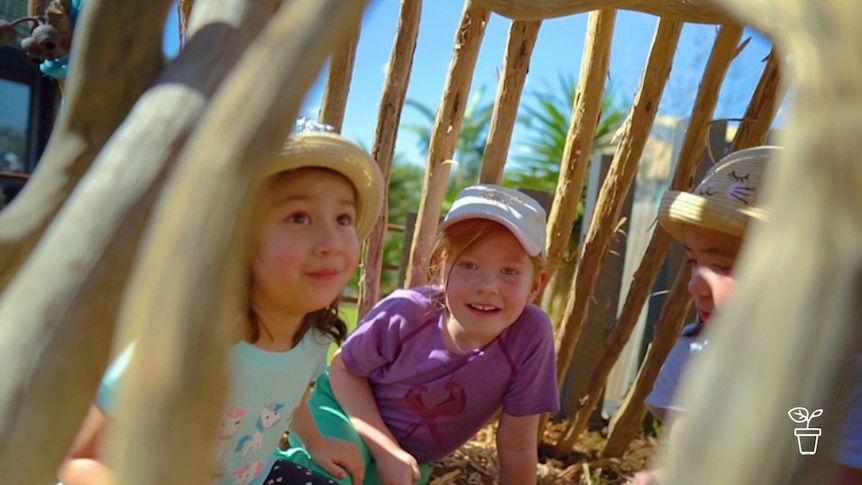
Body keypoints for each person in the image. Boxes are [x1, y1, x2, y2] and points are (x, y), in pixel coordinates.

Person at [56, 119, 385, 485]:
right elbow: (80, 460)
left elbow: (287, 396)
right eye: (299, 217)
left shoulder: (313, 339)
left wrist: (317, 441)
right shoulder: (182, 346)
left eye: (343, 218)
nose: (332, 242)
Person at [282, 184, 560, 485]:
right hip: (344, 413)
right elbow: (344, 370)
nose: (487, 286)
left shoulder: (531, 335)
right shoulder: (406, 312)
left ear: (536, 284)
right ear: (442, 269)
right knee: (335, 474)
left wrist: (393, 455)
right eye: (469, 264)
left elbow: (517, 444)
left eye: (509, 271)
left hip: (408, 458)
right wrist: (386, 449)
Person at [631, 146, 862, 484]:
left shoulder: (839, 374)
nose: (695, 284)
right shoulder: (695, 352)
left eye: (721, 266)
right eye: (693, 262)